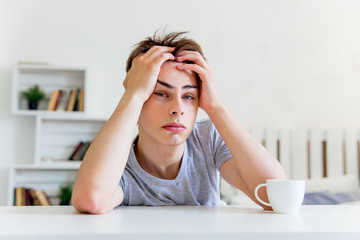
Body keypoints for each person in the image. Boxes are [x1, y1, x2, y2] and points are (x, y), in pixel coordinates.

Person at [71, 31, 287, 214]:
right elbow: (91, 199)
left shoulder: (207, 140)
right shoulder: (117, 164)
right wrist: (133, 95)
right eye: (161, 94)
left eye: (189, 96)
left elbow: (278, 196)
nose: (177, 109)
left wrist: (216, 108)